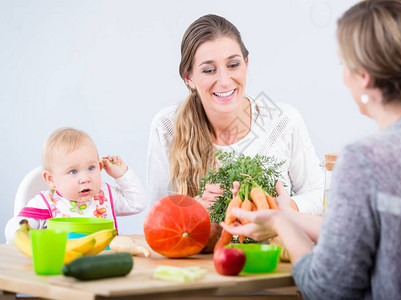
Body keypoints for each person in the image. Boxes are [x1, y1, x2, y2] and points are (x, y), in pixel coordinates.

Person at [222, 0, 401, 298]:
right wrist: (285, 214)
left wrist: (281, 223)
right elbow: (361, 236)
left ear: (364, 76)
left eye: (344, 63)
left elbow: (327, 288)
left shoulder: (364, 161)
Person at [146, 14, 324, 215]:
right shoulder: (168, 126)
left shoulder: (281, 119)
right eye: (209, 70)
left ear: (246, 63)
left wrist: (282, 208)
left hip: (272, 246)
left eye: (233, 65)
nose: (224, 81)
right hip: (204, 247)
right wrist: (194, 208)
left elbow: (317, 194)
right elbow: (156, 217)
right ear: (189, 78)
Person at [5, 127, 146, 243]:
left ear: (100, 167)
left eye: (91, 168)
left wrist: (122, 175)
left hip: (106, 266)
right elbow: (14, 226)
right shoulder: (46, 203)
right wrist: (25, 238)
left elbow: (137, 203)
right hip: (63, 268)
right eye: (73, 171)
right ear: (51, 179)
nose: (85, 178)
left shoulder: (105, 195)